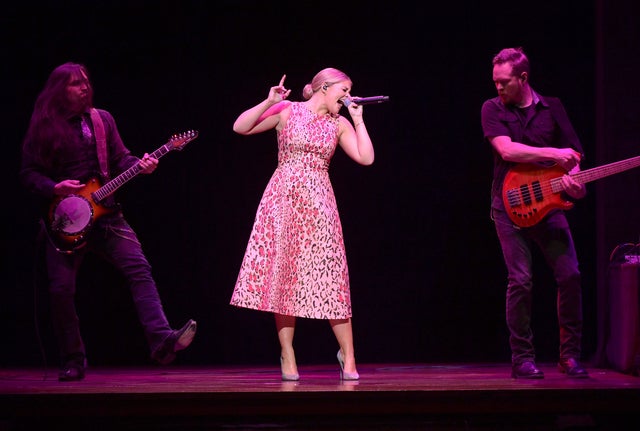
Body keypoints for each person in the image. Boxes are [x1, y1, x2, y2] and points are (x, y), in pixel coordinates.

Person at [19, 62, 197, 381]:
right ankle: (73, 359)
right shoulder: (44, 126)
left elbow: (121, 159)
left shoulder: (102, 120)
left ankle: (161, 340)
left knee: (139, 269)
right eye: (75, 84)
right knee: (60, 290)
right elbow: (28, 174)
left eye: (86, 81)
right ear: (60, 91)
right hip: (64, 221)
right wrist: (53, 187)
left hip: (107, 215)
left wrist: (140, 165)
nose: (84, 87)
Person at [230, 68, 375, 381]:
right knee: (285, 275)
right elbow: (240, 127)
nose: (348, 96)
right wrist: (268, 101)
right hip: (283, 201)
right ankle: (287, 353)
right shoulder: (288, 111)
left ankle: (348, 356)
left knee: (333, 277)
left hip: (320, 203)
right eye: (345, 90)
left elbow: (366, 158)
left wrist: (359, 119)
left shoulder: (339, 123)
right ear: (324, 87)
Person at [481, 47, 589, 379]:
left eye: (504, 82)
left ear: (523, 78)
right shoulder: (492, 108)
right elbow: (506, 148)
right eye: (495, 82)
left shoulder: (552, 108)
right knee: (521, 281)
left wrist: (575, 184)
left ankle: (569, 357)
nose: (498, 88)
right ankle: (522, 359)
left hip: (548, 204)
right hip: (508, 207)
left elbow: (574, 157)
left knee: (570, 275)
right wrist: (553, 154)